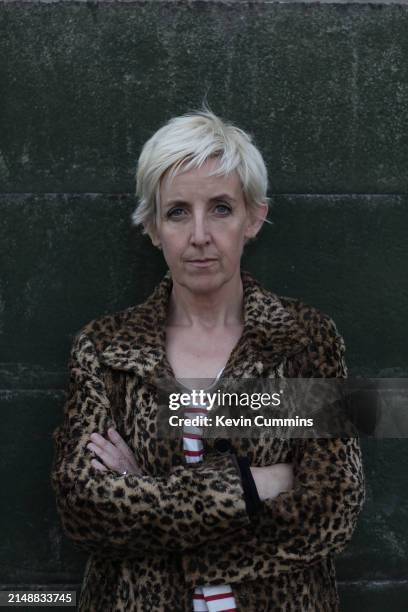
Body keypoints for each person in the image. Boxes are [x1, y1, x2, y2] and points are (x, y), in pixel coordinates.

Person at [51, 108, 365, 611]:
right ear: (153, 227)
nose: (199, 235)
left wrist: (144, 494)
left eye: (220, 208)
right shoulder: (105, 348)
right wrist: (255, 482)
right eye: (177, 212)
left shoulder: (302, 339)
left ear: (253, 218)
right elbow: (85, 510)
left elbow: (331, 508)